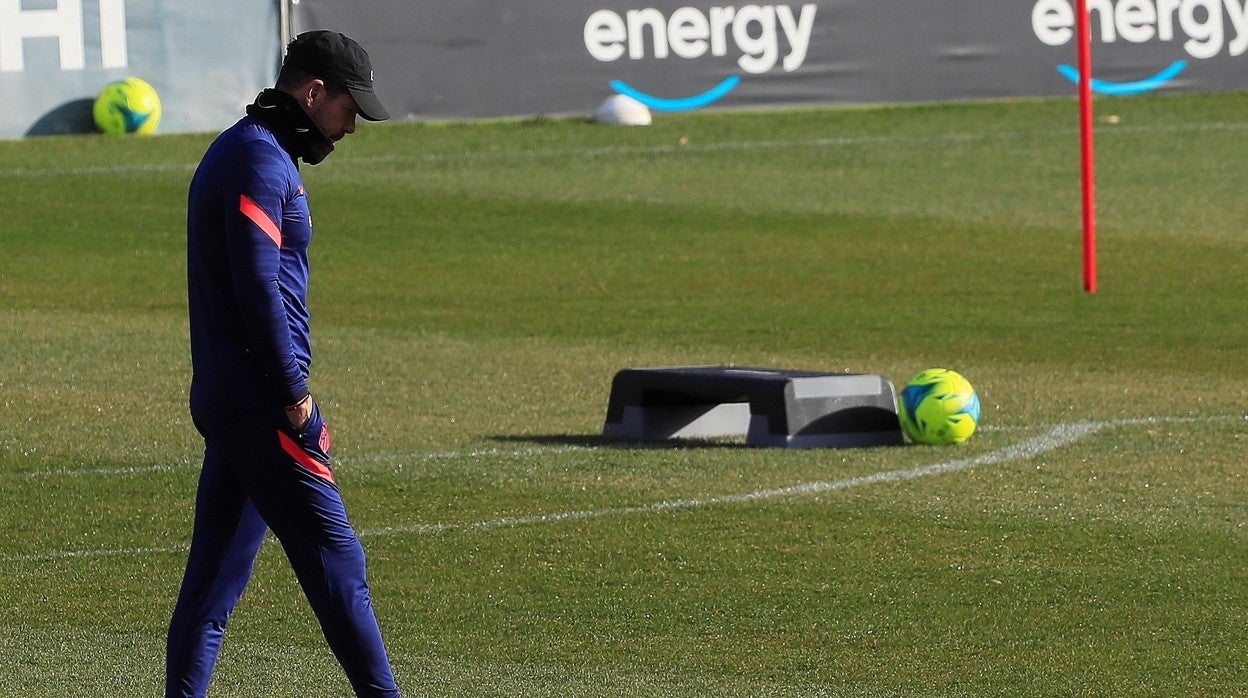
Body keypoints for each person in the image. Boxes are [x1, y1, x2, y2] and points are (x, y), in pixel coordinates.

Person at [166, 30, 400, 698]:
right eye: (350, 109)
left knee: (213, 585)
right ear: (314, 91)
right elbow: (257, 286)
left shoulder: (252, 152)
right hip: (260, 399)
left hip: (234, 395)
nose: (353, 127)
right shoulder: (257, 163)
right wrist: (293, 394)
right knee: (338, 563)